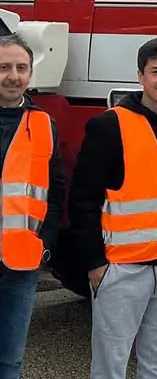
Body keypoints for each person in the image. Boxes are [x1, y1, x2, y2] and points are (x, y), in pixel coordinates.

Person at [71, 38, 157, 379]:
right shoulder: (109, 125)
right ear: (140, 76)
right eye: (156, 72)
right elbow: (83, 198)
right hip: (123, 267)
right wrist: (95, 263)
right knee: (110, 367)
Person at [0, 34, 65, 379]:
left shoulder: (43, 124)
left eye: (21, 68)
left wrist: (45, 243)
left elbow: (55, 190)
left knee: (10, 360)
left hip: (21, 261)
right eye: (4, 67)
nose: (13, 76)